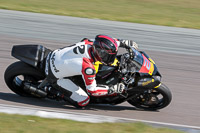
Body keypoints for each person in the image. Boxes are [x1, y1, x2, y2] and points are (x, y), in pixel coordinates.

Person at [45, 35, 138, 107]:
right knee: (84, 100)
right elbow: (92, 90)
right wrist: (112, 89)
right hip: (55, 75)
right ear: (99, 53)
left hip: (55, 55)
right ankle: (52, 91)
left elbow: (108, 43)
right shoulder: (88, 67)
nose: (110, 59)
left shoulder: (90, 43)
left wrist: (124, 42)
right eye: (108, 56)